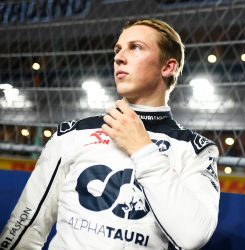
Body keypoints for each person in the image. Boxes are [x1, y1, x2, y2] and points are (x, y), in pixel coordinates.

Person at [0, 18, 220, 249]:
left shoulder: (195, 149)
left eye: (136, 47)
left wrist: (143, 150)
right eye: (118, 49)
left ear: (168, 67)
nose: (118, 57)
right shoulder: (74, 133)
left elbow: (193, 236)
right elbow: (27, 224)